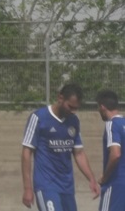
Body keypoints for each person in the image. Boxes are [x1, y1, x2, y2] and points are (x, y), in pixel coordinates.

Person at [21, 83, 100, 211]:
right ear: (60, 98)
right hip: (46, 185)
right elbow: (26, 152)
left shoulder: (74, 121)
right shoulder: (39, 117)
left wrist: (91, 179)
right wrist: (27, 188)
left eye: (76, 108)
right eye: (70, 106)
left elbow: (79, 153)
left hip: (67, 187)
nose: (73, 111)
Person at [95, 90, 125, 211]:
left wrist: (104, 177)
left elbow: (115, 154)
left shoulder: (112, 124)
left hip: (116, 184)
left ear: (102, 107)